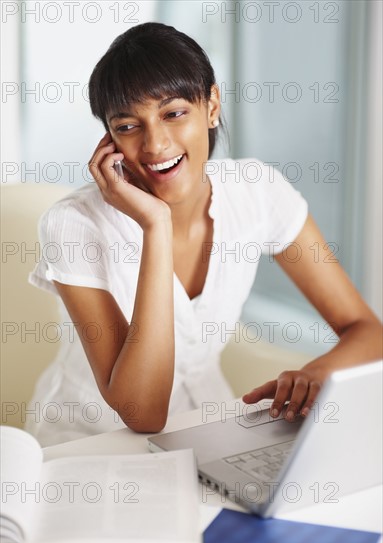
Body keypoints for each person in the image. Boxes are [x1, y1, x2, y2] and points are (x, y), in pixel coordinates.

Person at [27, 22, 382, 446]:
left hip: (208, 429)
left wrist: (314, 375)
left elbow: (366, 330)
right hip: (88, 442)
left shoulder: (257, 192)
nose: (155, 144)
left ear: (211, 105)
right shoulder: (73, 224)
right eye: (127, 126)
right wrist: (155, 226)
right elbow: (144, 413)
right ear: (108, 139)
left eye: (174, 113)